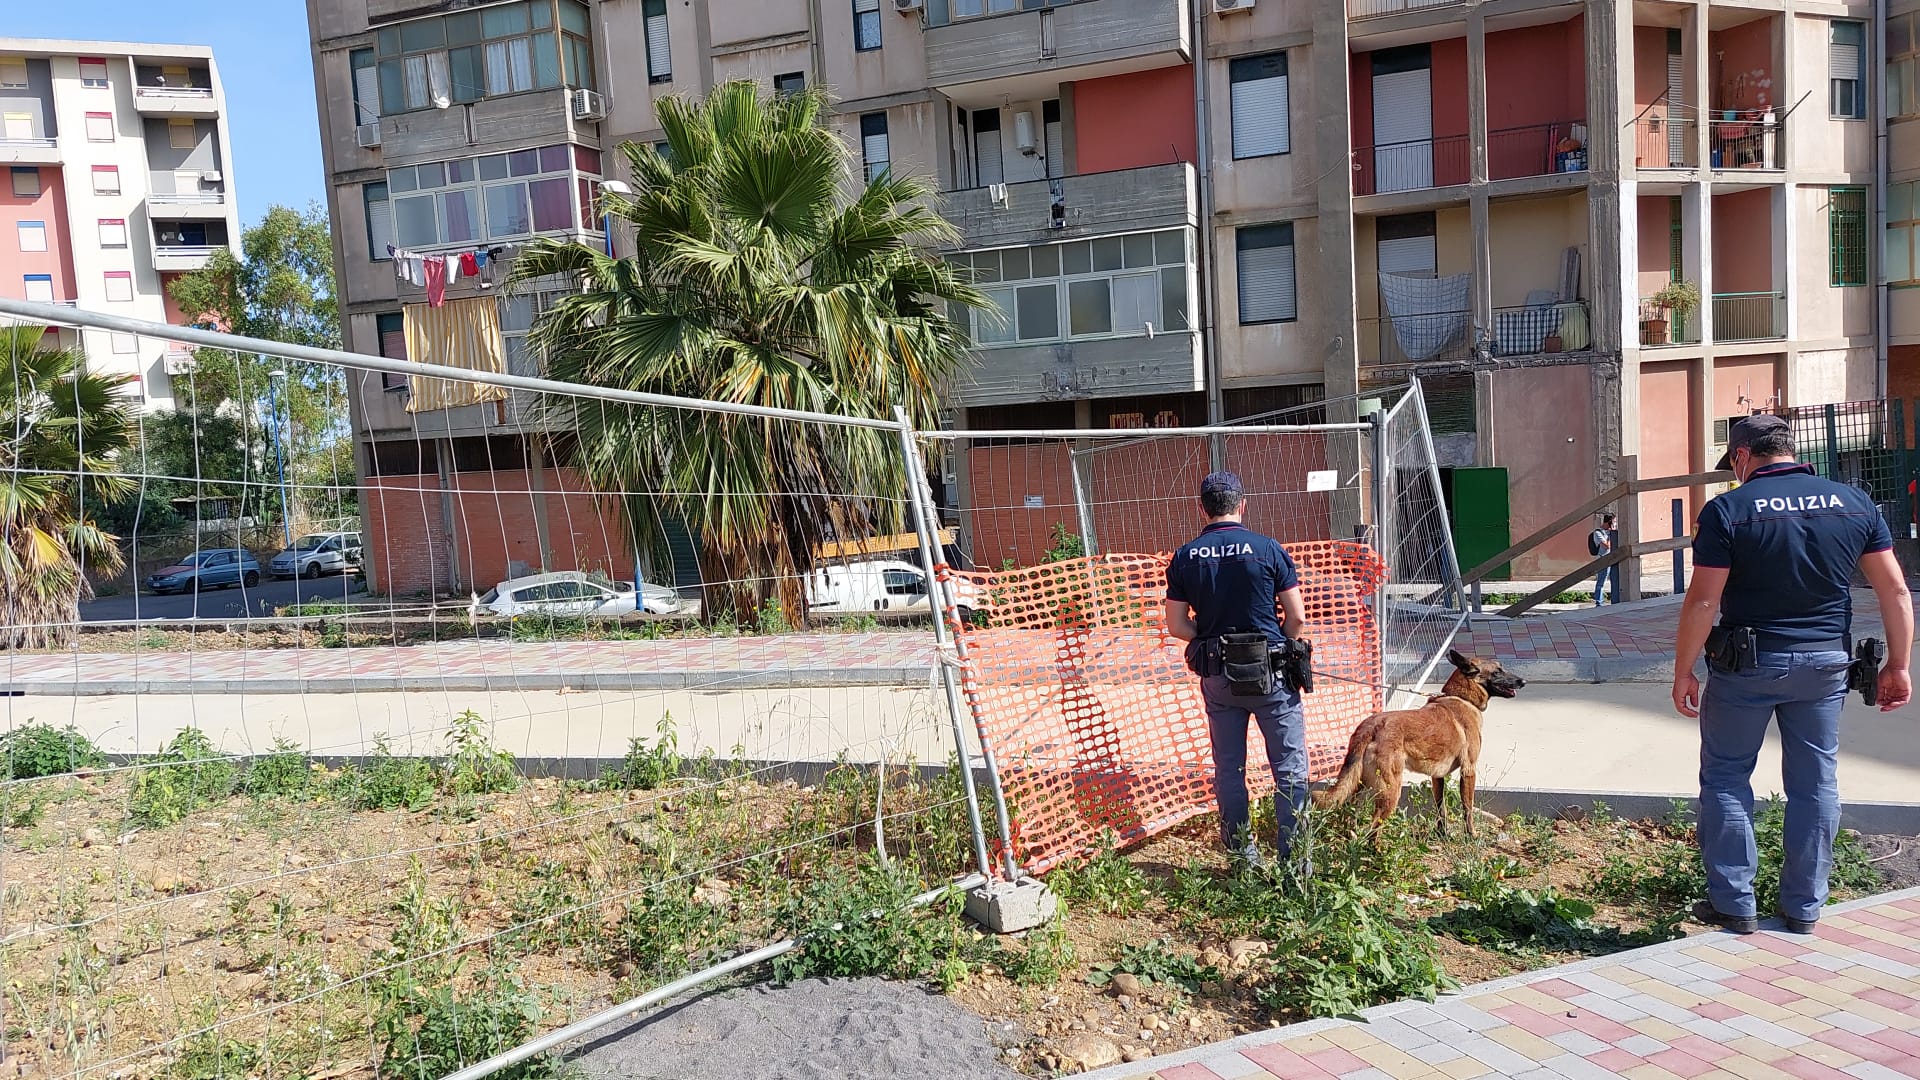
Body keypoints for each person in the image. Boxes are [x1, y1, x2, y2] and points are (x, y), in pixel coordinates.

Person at [1672, 414, 1913, 935]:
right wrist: (1898, 663)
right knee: (1815, 782)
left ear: (1741, 457)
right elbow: (1894, 590)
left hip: (1747, 667)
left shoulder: (1729, 510)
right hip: (1827, 663)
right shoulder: (1852, 502)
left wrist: (1684, 670)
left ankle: (1734, 904)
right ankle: (1804, 908)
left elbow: (1704, 599)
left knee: (1728, 777)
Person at [1163, 471, 1311, 871]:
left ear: (1201, 508)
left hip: (1218, 676)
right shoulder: (1268, 549)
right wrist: (1275, 643)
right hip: (1273, 675)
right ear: (1242, 505)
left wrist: (1210, 638)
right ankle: (1295, 865)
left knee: (1229, 767)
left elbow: (1177, 625)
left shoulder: (1185, 556)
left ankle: (1241, 859)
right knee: (1290, 768)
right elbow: (1296, 617)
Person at [1589, 512, 1619, 606]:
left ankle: (1615, 601)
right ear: (1609, 522)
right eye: (1613, 522)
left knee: (1615, 581)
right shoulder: (1598, 533)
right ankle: (1599, 602)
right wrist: (1611, 535)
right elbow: (1606, 546)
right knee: (1601, 582)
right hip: (1603, 559)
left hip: (1613, 559)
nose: (1615, 524)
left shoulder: (1611, 532)